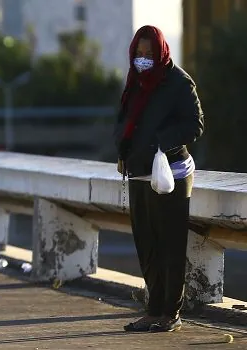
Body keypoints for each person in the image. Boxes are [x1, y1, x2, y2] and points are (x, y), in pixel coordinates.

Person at [114, 25, 204, 332]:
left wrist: (159, 143)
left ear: (161, 53)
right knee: (147, 245)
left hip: (171, 174)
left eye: (149, 55)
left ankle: (171, 313)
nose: (143, 60)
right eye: (138, 54)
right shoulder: (135, 82)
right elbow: (125, 120)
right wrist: (124, 150)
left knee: (170, 244)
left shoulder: (178, 82)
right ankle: (153, 310)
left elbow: (195, 124)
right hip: (139, 173)